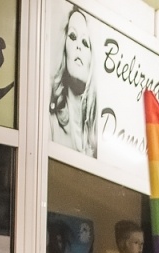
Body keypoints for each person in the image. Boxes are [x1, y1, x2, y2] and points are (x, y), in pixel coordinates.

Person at [49, 6, 98, 156]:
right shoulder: (50, 125)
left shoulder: (97, 142)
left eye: (85, 42)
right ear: (65, 49)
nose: (78, 46)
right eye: (72, 36)